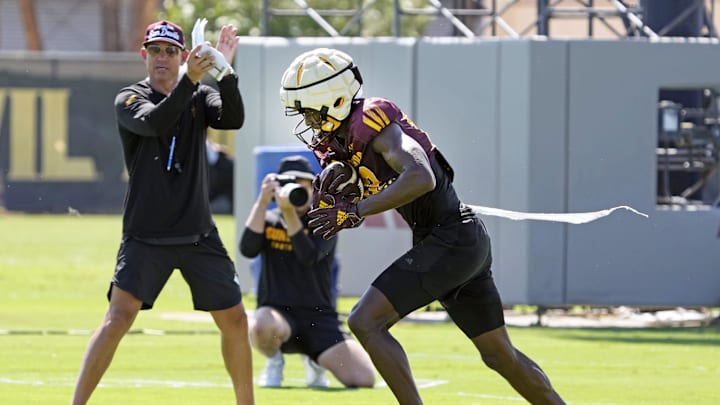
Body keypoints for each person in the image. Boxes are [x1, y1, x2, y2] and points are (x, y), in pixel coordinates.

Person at [279, 48, 566, 404]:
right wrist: (347, 204)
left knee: (365, 322)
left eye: (308, 109)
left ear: (332, 99)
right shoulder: (344, 144)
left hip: (451, 240)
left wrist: (356, 210)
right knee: (498, 355)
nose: (306, 121)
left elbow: (421, 176)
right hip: (455, 243)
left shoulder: (374, 124)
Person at [72, 20, 254, 405]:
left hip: (198, 234)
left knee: (236, 320)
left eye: (171, 51)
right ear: (144, 55)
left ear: (183, 55)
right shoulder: (129, 98)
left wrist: (226, 70)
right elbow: (154, 122)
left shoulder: (200, 95)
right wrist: (192, 78)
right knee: (118, 320)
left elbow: (233, 118)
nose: (163, 58)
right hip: (146, 234)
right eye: (155, 50)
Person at [239, 155, 375, 389]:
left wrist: (290, 214)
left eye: (301, 183)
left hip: (319, 318)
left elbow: (309, 258)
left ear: (313, 187)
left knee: (363, 378)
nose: (295, 190)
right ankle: (274, 360)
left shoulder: (325, 221)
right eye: (288, 184)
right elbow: (247, 249)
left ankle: (314, 359)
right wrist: (262, 202)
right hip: (279, 317)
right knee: (260, 324)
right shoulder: (269, 220)